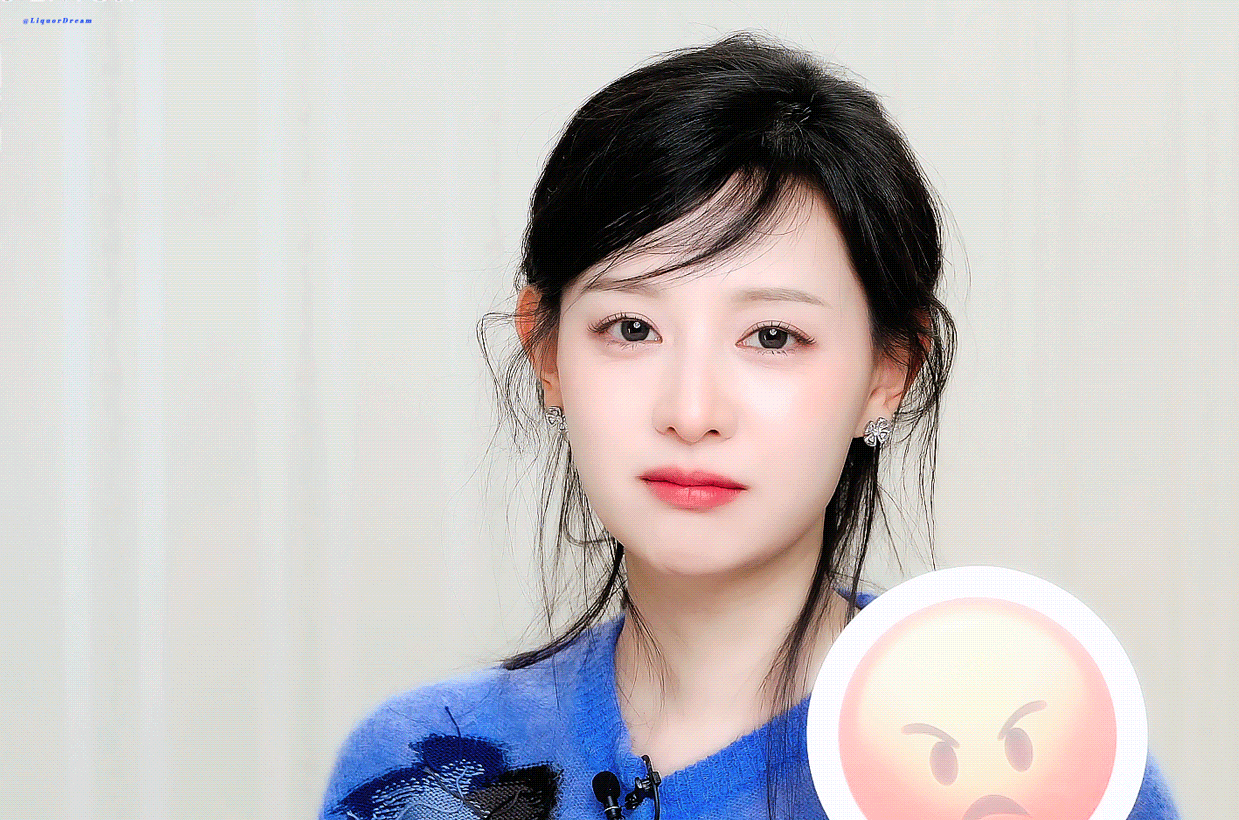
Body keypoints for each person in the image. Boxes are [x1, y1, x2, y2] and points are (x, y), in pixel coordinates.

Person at [319, 33, 1178, 820]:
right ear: (546, 352)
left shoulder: (1037, 765)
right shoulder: (421, 774)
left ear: (889, 370)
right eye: (632, 328)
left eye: (772, 337)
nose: (692, 412)